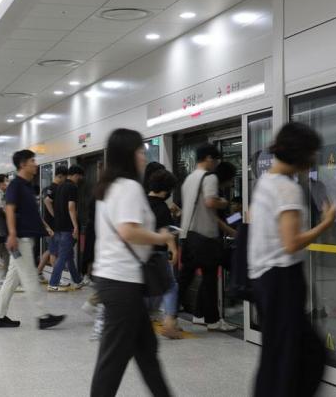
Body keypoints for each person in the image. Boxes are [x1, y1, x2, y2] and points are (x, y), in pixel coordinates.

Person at [249, 122, 336, 397]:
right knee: (299, 357)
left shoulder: (265, 182)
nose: (314, 159)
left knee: (281, 354)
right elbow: (291, 243)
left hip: (263, 280)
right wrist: (326, 223)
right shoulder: (288, 190)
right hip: (282, 280)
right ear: (302, 155)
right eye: (312, 153)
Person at [91, 128, 173, 397]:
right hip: (122, 281)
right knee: (113, 359)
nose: (143, 156)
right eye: (140, 151)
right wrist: (161, 238)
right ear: (128, 155)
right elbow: (128, 231)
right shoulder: (128, 187)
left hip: (117, 279)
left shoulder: (109, 187)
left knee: (146, 350)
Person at [0, 149, 65, 330]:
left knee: (12, 279)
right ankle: (42, 316)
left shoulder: (26, 185)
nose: (35, 164)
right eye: (32, 160)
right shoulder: (16, 185)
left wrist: (45, 226)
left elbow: (29, 213)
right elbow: (9, 209)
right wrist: (13, 234)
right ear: (23, 164)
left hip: (24, 238)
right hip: (19, 239)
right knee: (30, 276)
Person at [179, 144, 236, 332]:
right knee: (209, 279)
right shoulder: (209, 177)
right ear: (209, 158)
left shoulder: (188, 179)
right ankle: (212, 320)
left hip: (188, 236)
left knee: (186, 280)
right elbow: (210, 202)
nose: (216, 164)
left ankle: (173, 313)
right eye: (215, 159)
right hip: (205, 237)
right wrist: (225, 202)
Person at [147, 169, 183, 340]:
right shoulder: (162, 207)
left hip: (141, 253)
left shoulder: (142, 202)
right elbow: (166, 231)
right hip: (158, 253)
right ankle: (169, 322)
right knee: (170, 286)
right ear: (166, 190)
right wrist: (174, 250)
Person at [48, 165, 87, 291]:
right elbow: (71, 207)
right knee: (63, 256)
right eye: (79, 178)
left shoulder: (60, 187)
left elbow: (50, 202)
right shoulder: (72, 187)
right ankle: (53, 284)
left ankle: (77, 280)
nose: (79, 181)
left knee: (69, 256)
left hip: (58, 226)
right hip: (67, 227)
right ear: (75, 175)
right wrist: (75, 226)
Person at [37, 166, 68, 283]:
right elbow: (47, 201)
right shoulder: (54, 188)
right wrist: (56, 216)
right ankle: (56, 279)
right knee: (54, 252)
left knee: (51, 250)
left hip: (50, 225)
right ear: (60, 176)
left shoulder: (49, 188)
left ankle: (38, 272)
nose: (65, 180)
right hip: (52, 225)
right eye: (64, 178)